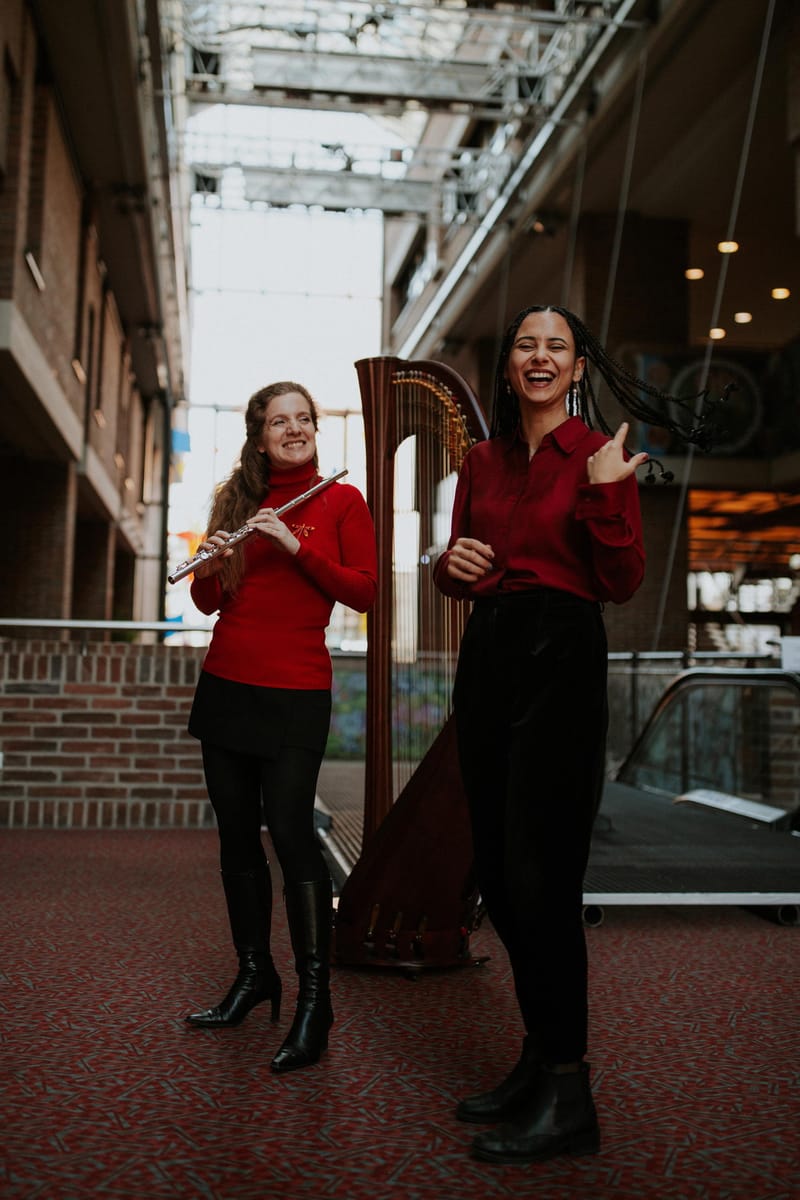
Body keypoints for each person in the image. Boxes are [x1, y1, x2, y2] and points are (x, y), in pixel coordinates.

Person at [433, 304, 715, 1164]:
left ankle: (568, 1091)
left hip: (562, 654)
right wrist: (450, 568)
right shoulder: (481, 461)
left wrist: (603, 491)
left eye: (557, 345)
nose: (541, 355)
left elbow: (620, 581)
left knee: (540, 878)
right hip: (490, 653)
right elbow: (462, 564)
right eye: (527, 344)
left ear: (579, 367)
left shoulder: (600, 454)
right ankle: (538, 1056)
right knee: (496, 875)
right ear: (509, 366)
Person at [184, 380, 377, 1074]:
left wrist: (295, 546)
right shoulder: (236, 502)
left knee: (293, 837)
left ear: (315, 430)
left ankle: (314, 1004)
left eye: (303, 419)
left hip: (296, 691)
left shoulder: (341, 501)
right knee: (236, 838)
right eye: (279, 422)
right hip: (226, 685)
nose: (294, 430)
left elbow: (364, 592)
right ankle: (254, 974)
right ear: (260, 437)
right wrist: (212, 563)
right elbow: (209, 601)